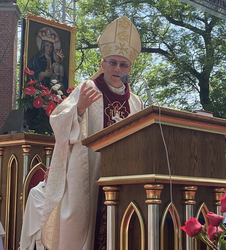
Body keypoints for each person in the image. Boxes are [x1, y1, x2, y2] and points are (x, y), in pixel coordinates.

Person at [41, 16, 143, 250]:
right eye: (112, 62)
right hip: (90, 174)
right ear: (103, 63)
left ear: (130, 69)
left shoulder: (136, 103)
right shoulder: (87, 89)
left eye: (123, 64)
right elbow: (57, 121)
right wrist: (78, 109)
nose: (117, 68)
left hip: (125, 178)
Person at [20, 167, 49, 250]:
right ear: (45, 177)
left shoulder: (58, 191)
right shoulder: (36, 191)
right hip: (41, 229)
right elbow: (42, 212)